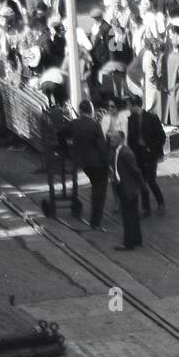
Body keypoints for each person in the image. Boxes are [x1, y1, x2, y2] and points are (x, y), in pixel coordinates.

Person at [60, 99, 109, 229]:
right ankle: (95, 221)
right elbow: (102, 147)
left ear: (80, 111)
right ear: (91, 111)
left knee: (95, 187)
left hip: (84, 163)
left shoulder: (73, 124)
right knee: (99, 192)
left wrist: (67, 146)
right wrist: (107, 163)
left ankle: (94, 219)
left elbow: (61, 134)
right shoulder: (95, 125)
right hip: (98, 163)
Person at [126, 93, 165, 216]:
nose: (128, 108)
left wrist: (149, 145)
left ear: (134, 105)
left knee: (151, 180)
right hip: (138, 155)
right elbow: (131, 140)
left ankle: (160, 202)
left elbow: (161, 137)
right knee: (142, 181)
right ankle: (146, 208)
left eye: (129, 105)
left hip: (150, 154)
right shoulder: (130, 120)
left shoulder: (152, 118)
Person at [108, 129, 144, 251]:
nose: (112, 140)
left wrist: (142, 187)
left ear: (122, 140)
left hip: (128, 189)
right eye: (111, 138)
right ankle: (137, 239)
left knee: (128, 216)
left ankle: (128, 243)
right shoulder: (116, 151)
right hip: (122, 187)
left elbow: (135, 172)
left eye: (114, 138)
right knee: (132, 215)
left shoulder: (126, 153)